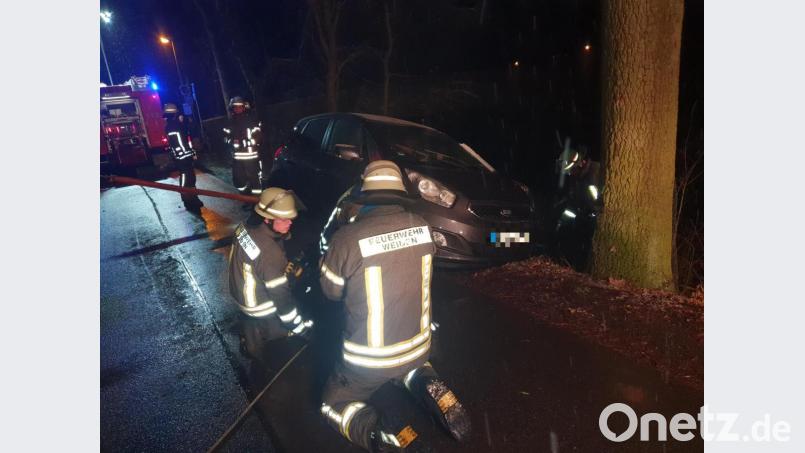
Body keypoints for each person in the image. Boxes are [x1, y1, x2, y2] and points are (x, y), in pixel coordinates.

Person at [318, 160, 471, 452]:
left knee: (332, 403)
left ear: (364, 196)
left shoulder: (346, 239)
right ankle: (426, 381)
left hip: (368, 362)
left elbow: (331, 293)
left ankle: (381, 434)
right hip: (418, 346)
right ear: (401, 194)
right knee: (410, 366)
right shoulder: (423, 228)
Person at [228, 187, 313, 339]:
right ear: (267, 218)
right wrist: (298, 328)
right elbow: (281, 296)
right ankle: (277, 333)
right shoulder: (270, 253)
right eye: (283, 219)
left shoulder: (244, 226)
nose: (290, 223)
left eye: (291, 219)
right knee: (291, 287)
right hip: (259, 307)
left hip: (238, 293)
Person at [164, 103, 203, 213]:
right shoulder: (173, 126)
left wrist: (191, 152)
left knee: (191, 178)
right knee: (186, 178)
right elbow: (179, 142)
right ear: (175, 114)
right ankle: (187, 200)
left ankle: (193, 198)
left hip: (184, 155)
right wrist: (187, 153)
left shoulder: (175, 124)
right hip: (182, 157)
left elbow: (186, 139)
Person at [223, 96, 263, 201]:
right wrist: (232, 142)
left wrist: (245, 142)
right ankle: (246, 198)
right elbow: (226, 139)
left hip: (251, 156)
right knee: (239, 180)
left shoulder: (252, 120)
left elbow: (258, 137)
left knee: (254, 179)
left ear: (244, 107)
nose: (237, 109)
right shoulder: (230, 122)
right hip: (237, 157)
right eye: (235, 107)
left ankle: (257, 201)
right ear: (232, 108)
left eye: (239, 107)